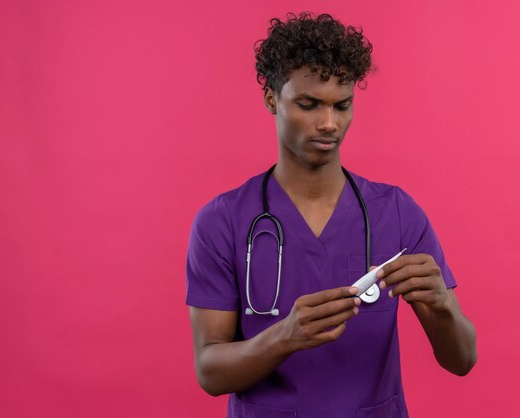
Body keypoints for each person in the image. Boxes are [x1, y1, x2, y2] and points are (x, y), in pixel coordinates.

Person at [186, 12, 477, 418]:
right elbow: (210, 372)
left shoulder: (396, 213)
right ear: (272, 98)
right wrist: (285, 336)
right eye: (308, 104)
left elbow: (461, 360)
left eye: (342, 105)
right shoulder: (223, 223)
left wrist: (443, 305)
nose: (329, 124)